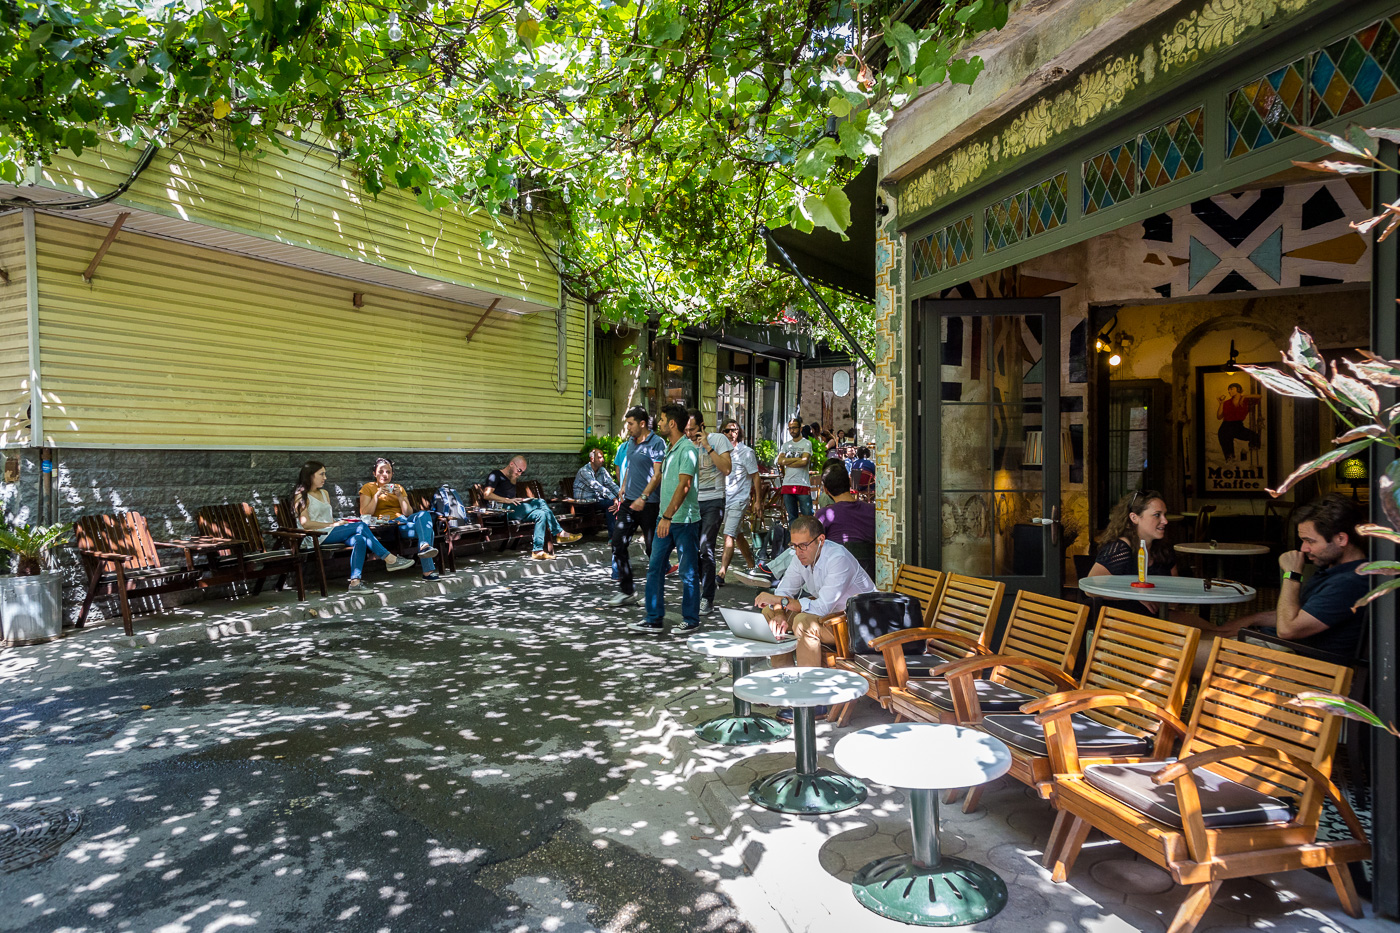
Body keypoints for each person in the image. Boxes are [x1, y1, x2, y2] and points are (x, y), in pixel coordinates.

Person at [1204, 494, 1370, 658]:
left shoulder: (1350, 582)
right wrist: (1252, 619)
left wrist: (1292, 574)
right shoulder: (1336, 571)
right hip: (1280, 647)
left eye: (1310, 541)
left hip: (1299, 665)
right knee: (1195, 631)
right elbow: (1301, 615)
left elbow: (1287, 630)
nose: (1304, 548)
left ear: (1341, 539)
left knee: (1183, 652)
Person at [753, 515, 875, 710]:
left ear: (821, 540)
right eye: (794, 545)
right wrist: (779, 612)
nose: (799, 551)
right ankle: (785, 686)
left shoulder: (838, 559)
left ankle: (812, 701)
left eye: (804, 545)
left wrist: (781, 601)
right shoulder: (799, 557)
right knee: (769, 612)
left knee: (803, 623)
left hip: (858, 625)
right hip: (832, 618)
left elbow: (820, 608)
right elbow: (784, 591)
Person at [733, 462, 876, 586]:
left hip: (834, 573)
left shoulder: (825, 515)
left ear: (825, 490)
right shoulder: (873, 511)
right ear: (849, 482)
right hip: (867, 572)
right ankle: (770, 572)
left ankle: (769, 572)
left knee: (800, 547)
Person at [631, 403, 701, 634]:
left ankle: (690, 620)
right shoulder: (671, 449)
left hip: (684, 521)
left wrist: (667, 516)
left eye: (661, 419)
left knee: (687, 572)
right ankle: (653, 618)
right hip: (668, 519)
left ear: (672, 423)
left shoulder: (688, 449)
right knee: (655, 568)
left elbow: (684, 485)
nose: (658, 423)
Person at [293, 461, 417, 589]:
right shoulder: (301, 496)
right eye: (321, 474)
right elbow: (306, 524)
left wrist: (340, 523)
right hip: (314, 536)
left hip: (329, 532)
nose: (325, 478)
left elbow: (327, 518)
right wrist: (334, 524)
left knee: (360, 538)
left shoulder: (324, 493)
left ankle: (355, 583)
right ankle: (389, 558)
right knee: (361, 526)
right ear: (310, 476)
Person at [605, 407, 667, 607]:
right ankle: (627, 591)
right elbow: (630, 467)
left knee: (652, 549)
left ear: (642, 423)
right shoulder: (631, 443)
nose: (628, 428)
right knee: (618, 542)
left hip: (649, 504)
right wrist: (623, 487)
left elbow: (658, 474)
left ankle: (654, 594)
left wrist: (644, 496)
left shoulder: (657, 443)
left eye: (630, 423)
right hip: (629, 502)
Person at [1087, 489, 1183, 616]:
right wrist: (1135, 596)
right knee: (1204, 633)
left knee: (1216, 631)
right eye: (1157, 515)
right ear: (1134, 518)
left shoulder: (1163, 549)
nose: (1165, 521)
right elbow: (1091, 589)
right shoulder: (1120, 549)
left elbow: (1175, 595)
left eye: (1165, 514)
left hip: (1159, 617)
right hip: (1124, 622)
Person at [482, 455, 582, 561]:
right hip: (500, 512)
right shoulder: (496, 474)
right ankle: (559, 532)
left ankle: (537, 551)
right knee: (540, 502)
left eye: (522, 472)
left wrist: (519, 500)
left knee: (541, 514)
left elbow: (511, 499)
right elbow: (486, 495)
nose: (519, 474)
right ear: (511, 464)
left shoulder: (512, 478)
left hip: (513, 509)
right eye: (519, 470)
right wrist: (507, 500)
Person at [358, 458, 442, 580]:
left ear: (392, 474)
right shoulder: (368, 487)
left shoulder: (398, 488)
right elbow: (365, 512)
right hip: (389, 525)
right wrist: (377, 495)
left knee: (424, 514)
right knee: (429, 531)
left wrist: (399, 496)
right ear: (374, 473)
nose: (385, 475)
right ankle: (427, 571)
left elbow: (408, 512)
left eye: (388, 472)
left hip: (403, 520)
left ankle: (424, 545)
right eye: (381, 471)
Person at [686, 409, 732, 617]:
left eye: (693, 429)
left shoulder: (719, 439)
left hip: (714, 499)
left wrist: (707, 446)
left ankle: (708, 598)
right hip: (692, 502)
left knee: (706, 547)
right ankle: (697, 592)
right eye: (686, 429)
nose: (689, 433)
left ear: (702, 426)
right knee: (693, 550)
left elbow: (727, 469)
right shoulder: (685, 445)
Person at [717, 420, 761, 586]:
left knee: (728, 534)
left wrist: (757, 501)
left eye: (733, 430)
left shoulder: (746, 452)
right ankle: (752, 565)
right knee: (737, 534)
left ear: (738, 432)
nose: (730, 433)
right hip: (724, 499)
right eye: (726, 430)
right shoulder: (719, 452)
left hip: (739, 499)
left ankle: (721, 572)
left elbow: (755, 476)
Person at [776, 419, 813, 521]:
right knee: (792, 517)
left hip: (802, 484)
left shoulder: (806, 443)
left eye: (794, 428)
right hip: (788, 484)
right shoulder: (786, 445)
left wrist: (787, 461)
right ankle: (793, 537)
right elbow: (780, 461)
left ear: (800, 428)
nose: (792, 430)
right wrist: (797, 459)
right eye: (790, 428)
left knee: (808, 517)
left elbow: (804, 462)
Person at [1216, 382, 1262, 461]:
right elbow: (1219, 417)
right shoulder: (1226, 403)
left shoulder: (1246, 400)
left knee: (1255, 437)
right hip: (1226, 427)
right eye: (1229, 390)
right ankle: (1230, 463)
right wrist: (1221, 403)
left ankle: (1253, 455)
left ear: (1238, 389)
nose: (1229, 391)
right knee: (1229, 455)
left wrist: (1244, 396)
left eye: (1232, 389)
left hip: (1238, 426)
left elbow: (1259, 396)